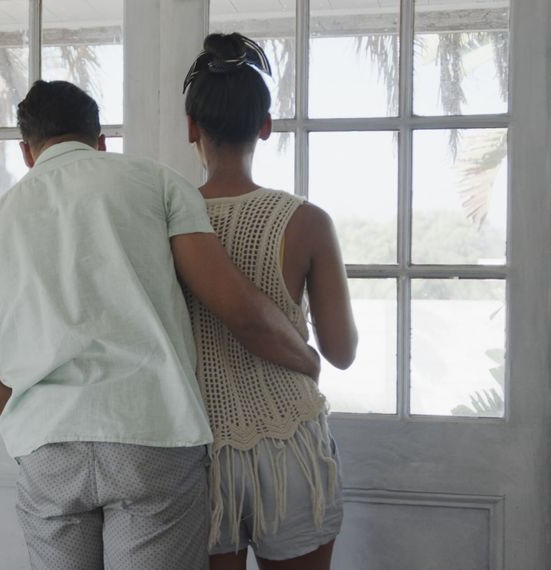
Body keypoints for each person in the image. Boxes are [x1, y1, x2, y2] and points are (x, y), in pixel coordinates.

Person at [0, 79, 321, 570]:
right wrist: (305, 357)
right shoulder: (156, 183)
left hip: (48, 448)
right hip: (151, 437)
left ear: (26, 153)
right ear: (100, 141)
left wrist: (52, 403)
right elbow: (237, 306)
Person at [181, 34, 359, 570]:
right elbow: (342, 351)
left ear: (192, 127)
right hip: (290, 449)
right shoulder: (306, 221)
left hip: (199, 453)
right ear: (265, 126)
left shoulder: (167, 222)